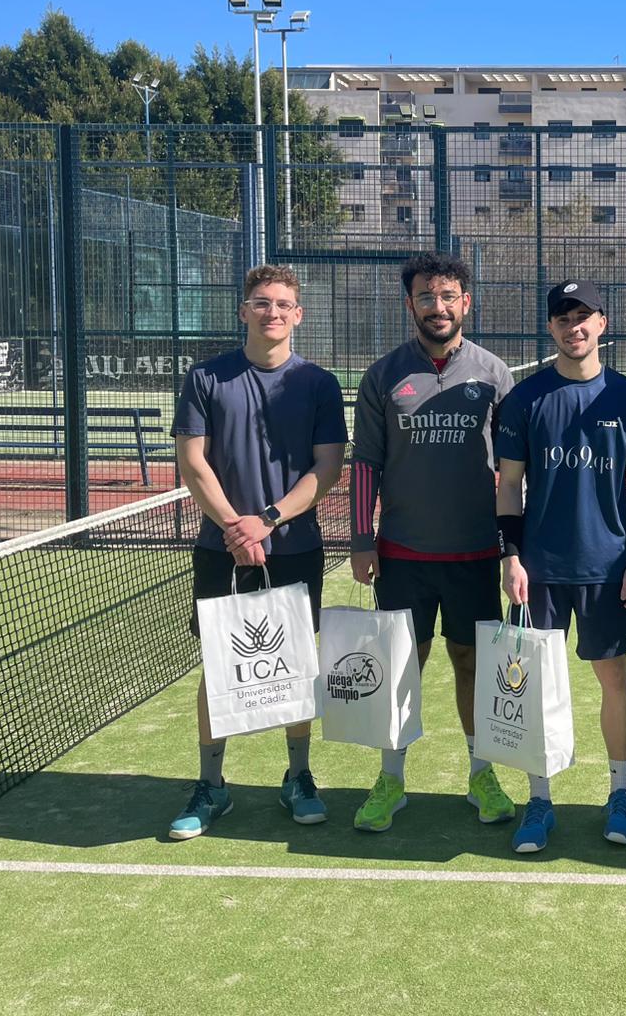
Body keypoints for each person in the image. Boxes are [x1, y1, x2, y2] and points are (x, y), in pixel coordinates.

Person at [168, 264, 347, 840]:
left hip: (295, 547)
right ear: (244, 310)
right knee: (217, 665)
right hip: (219, 547)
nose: (272, 312)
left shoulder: (319, 384)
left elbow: (328, 469)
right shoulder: (205, 378)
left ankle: (298, 777)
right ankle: (212, 786)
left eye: (283, 304)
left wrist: (266, 520)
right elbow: (193, 462)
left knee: (292, 665)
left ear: (299, 315)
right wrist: (235, 528)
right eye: (261, 302)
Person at [349, 251, 516, 833]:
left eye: (448, 297)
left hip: (474, 555)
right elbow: (366, 462)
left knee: (471, 663)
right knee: (401, 666)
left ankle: (481, 774)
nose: (437, 307)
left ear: (466, 303)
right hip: (402, 554)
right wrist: (361, 540)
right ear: (410, 304)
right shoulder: (382, 375)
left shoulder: (494, 374)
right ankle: (390, 778)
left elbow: (512, 471)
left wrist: (512, 549)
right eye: (426, 297)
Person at [495, 280, 626, 853]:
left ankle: (620, 793)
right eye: (563, 318)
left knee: (614, 679)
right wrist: (511, 555)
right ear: (552, 329)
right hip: (538, 570)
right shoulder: (524, 399)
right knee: (534, 685)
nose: (574, 327)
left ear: (602, 324)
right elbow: (508, 485)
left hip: (609, 567)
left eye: (583, 316)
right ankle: (539, 799)